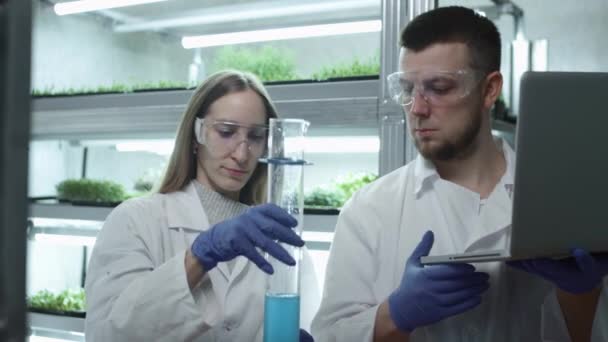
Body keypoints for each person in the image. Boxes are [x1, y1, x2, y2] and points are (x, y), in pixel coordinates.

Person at [311, 6, 607, 342]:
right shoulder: (369, 209)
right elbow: (329, 335)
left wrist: (582, 294)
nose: (418, 108)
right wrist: (395, 315)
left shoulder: (561, 203)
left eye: (439, 87)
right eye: (408, 89)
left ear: (489, 89)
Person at [85, 70, 319, 341]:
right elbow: (107, 334)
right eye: (226, 132)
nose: (242, 154)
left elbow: (310, 325)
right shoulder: (135, 221)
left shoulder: (280, 240)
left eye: (255, 137)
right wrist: (198, 257)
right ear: (196, 135)